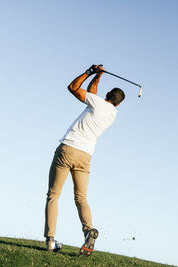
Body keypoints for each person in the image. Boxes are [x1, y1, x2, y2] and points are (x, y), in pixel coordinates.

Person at [43, 64, 125, 256]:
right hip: (85, 156)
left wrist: (90, 72)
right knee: (81, 198)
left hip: (68, 149)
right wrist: (99, 77)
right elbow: (92, 95)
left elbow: (72, 88)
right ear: (118, 104)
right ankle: (89, 230)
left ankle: (50, 240)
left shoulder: (98, 103)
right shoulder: (112, 114)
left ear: (107, 96)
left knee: (54, 195)